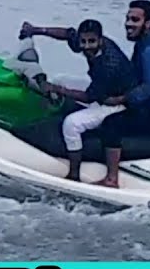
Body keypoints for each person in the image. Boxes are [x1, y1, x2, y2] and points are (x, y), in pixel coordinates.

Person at [19, 20, 138, 181]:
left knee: (72, 124)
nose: (87, 46)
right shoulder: (86, 44)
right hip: (102, 90)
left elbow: (89, 97)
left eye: (91, 42)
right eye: (83, 41)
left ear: (100, 40)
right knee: (61, 79)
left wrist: (57, 89)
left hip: (115, 102)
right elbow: (68, 34)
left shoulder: (109, 65)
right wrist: (36, 30)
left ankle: (74, 173)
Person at [95, 0, 150, 188]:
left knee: (111, 124)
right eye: (127, 19)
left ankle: (111, 179)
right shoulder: (143, 44)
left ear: (148, 23)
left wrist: (119, 100)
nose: (128, 24)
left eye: (135, 20)